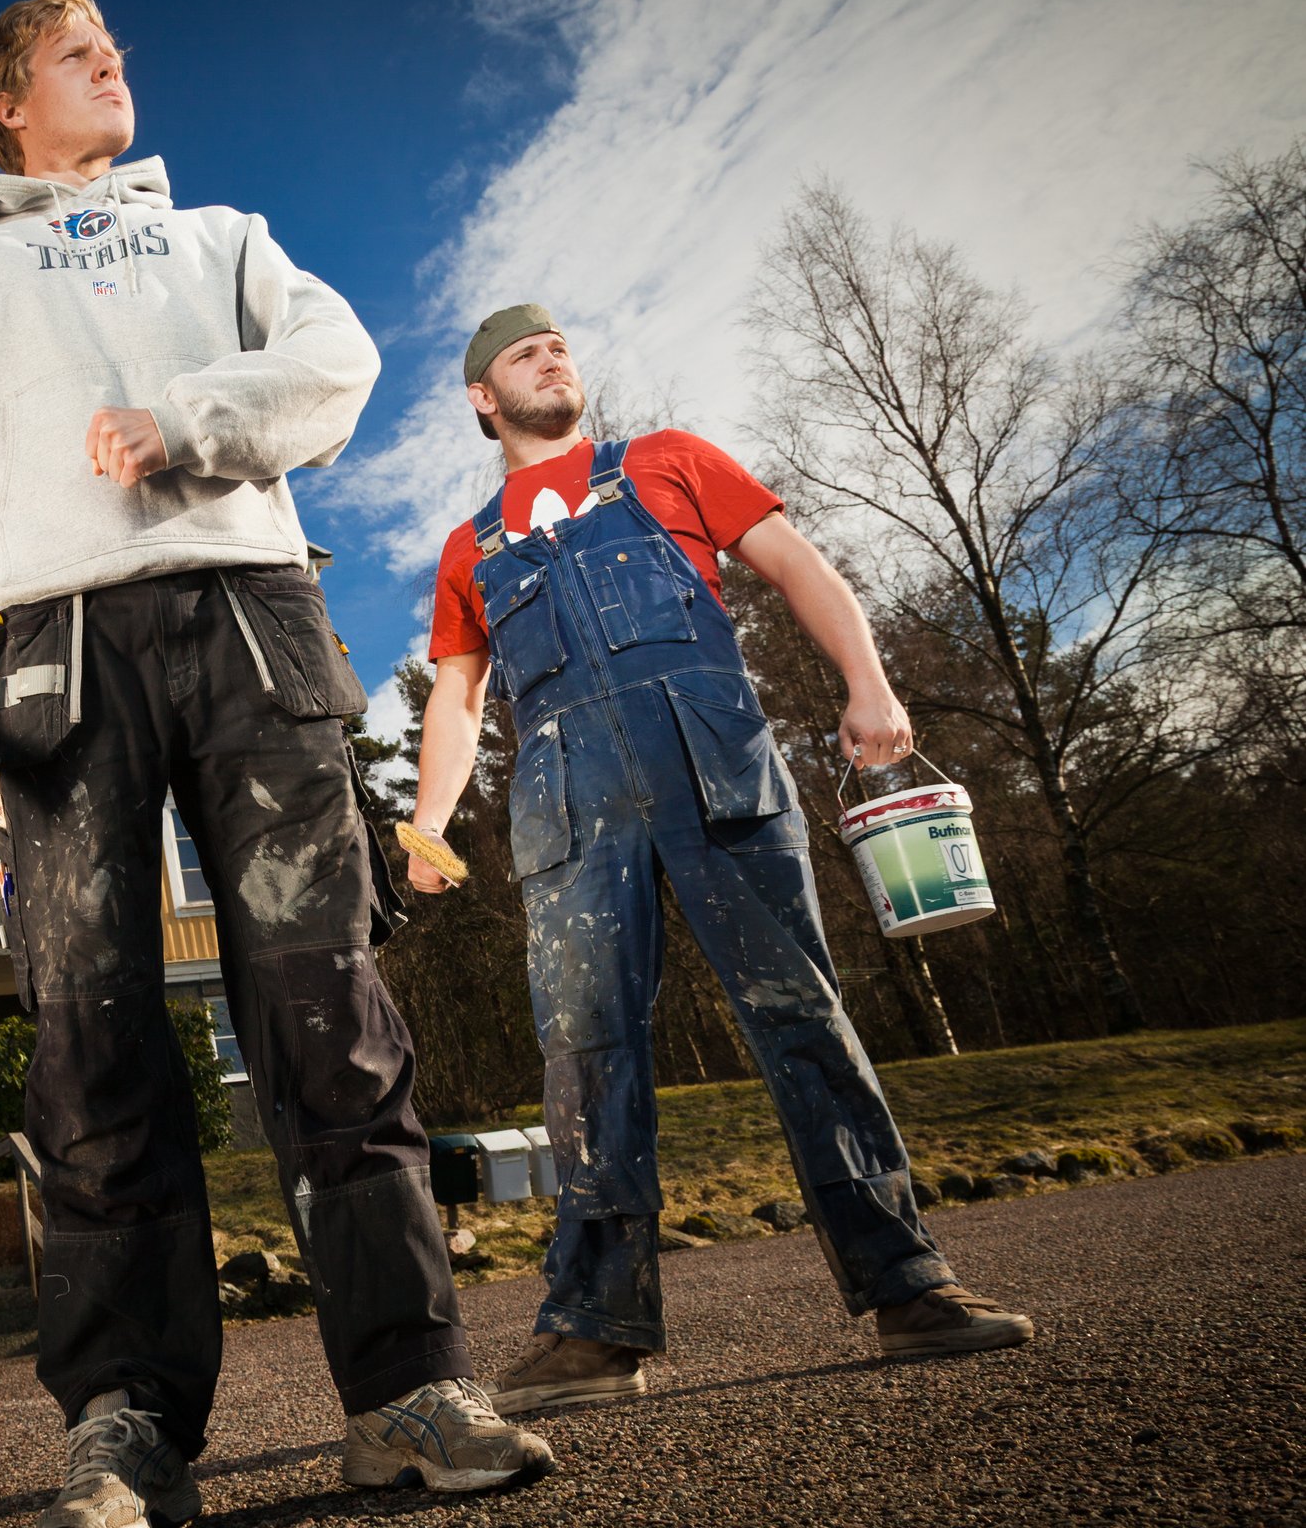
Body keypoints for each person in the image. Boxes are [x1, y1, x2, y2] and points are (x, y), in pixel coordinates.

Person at [0, 0, 555, 1528]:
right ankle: (129, 1420)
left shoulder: (222, 234)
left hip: (249, 616)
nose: (116, 65)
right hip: (47, 655)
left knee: (325, 1000)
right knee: (90, 1034)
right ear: (6, 103)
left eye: (120, 50)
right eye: (78, 53)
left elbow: (338, 360)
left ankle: (410, 1383)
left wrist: (184, 422)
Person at [407, 305, 1035, 1418]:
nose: (554, 356)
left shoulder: (669, 461)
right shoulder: (471, 548)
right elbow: (456, 697)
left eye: (561, 342)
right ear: (481, 397)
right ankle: (592, 1332)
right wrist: (431, 820)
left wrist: (869, 683)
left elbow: (799, 566)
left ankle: (907, 1285)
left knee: (802, 1018)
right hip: (568, 814)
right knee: (584, 1057)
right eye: (524, 352)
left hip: (718, 774)